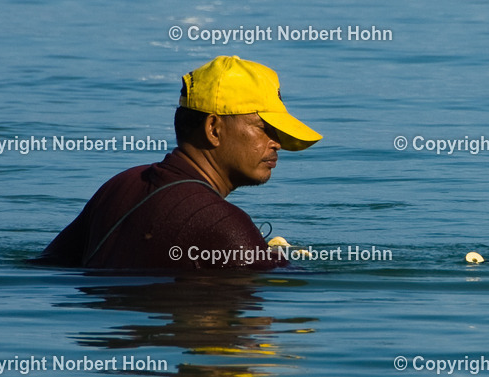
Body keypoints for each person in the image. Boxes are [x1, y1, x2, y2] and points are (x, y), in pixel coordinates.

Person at [33, 56, 321, 269]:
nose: (277, 142)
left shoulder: (121, 185)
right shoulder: (224, 225)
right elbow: (291, 288)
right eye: (264, 128)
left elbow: (45, 266)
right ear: (213, 129)